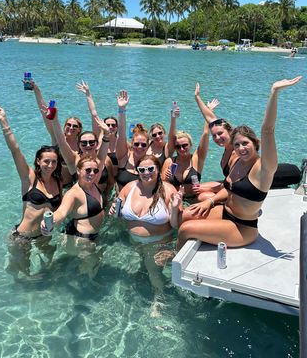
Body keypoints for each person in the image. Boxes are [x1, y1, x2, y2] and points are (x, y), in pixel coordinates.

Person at [176, 76, 302, 250]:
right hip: (225, 212)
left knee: (185, 229)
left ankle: (170, 263)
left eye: (245, 143)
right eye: (237, 144)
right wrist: (210, 202)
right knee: (182, 217)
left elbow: (268, 130)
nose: (241, 148)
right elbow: (211, 120)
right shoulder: (237, 161)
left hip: (242, 227)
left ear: (255, 143)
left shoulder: (264, 168)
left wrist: (274, 93)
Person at [0, 104, 62, 276]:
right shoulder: (29, 178)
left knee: (48, 264)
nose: (50, 165)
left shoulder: (58, 181)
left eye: (54, 162)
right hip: (22, 237)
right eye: (46, 161)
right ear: (38, 161)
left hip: (44, 235)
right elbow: (15, 150)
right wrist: (4, 121)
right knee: (23, 273)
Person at [110, 154, 182, 316]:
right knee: (145, 268)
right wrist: (114, 209)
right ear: (137, 171)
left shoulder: (168, 190)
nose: (146, 172)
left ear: (158, 170)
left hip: (159, 243)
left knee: (153, 271)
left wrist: (176, 208)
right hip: (134, 241)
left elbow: (175, 225)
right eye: (142, 169)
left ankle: (159, 299)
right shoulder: (129, 187)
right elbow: (117, 207)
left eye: (151, 169)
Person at [48, 105, 113, 202]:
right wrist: (54, 120)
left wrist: (107, 133)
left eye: (91, 142)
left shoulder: (101, 159)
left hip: (100, 201)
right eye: (84, 143)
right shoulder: (74, 159)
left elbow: (110, 182)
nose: (88, 145)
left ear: (96, 144)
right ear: (79, 144)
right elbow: (61, 141)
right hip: (80, 203)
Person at [30, 80, 82, 187]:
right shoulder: (57, 138)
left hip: (70, 185)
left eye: (75, 126)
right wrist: (36, 90)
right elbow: (45, 114)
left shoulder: (82, 145)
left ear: (79, 130)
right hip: (53, 184)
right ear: (64, 127)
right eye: (68, 125)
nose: (71, 128)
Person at [115, 90, 150, 191]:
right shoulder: (124, 157)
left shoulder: (151, 162)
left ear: (148, 146)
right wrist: (122, 109)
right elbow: (121, 134)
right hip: (120, 204)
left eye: (143, 145)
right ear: (132, 144)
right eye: (136, 144)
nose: (139, 147)